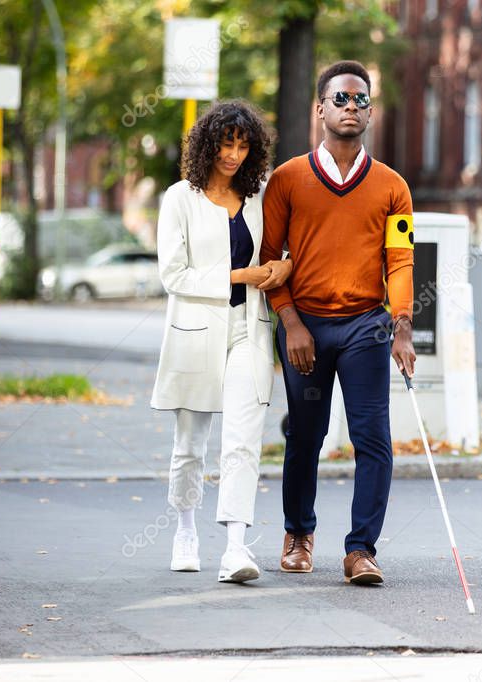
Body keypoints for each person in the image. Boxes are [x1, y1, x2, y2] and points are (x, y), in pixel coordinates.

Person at [260, 60, 416, 586]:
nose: (352, 107)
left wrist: (402, 325)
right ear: (320, 108)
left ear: (371, 110)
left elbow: (399, 259)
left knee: (373, 436)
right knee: (306, 433)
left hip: (364, 326)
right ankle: (299, 533)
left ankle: (361, 550)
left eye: (361, 100)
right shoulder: (287, 180)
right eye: (342, 99)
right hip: (304, 324)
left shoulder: (393, 187)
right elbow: (268, 258)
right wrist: (290, 321)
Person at [150, 99, 292, 583]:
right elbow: (174, 275)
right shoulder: (179, 199)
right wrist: (242, 274)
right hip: (195, 330)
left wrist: (281, 267)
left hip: (248, 328)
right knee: (190, 445)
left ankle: (235, 548)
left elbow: (284, 246)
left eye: (242, 145)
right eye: (226, 144)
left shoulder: (258, 196)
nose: (233, 155)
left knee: (243, 441)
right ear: (207, 145)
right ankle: (186, 531)